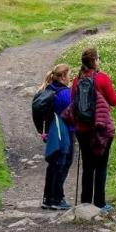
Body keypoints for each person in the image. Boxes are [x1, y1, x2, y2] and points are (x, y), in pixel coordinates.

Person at [71, 47, 116, 212]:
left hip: (82, 130)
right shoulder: (102, 78)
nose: (100, 60)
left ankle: (85, 203)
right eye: (99, 58)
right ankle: (99, 203)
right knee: (101, 165)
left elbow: (74, 104)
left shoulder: (76, 80)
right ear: (94, 61)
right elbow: (114, 100)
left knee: (88, 166)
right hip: (101, 130)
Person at [39, 64, 73, 210]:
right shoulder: (65, 93)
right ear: (63, 76)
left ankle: (47, 198)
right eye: (69, 74)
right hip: (65, 131)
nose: (70, 77)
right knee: (63, 163)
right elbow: (72, 113)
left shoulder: (49, 89)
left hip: (52, 130)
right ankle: (57, 198)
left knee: (53, 164)